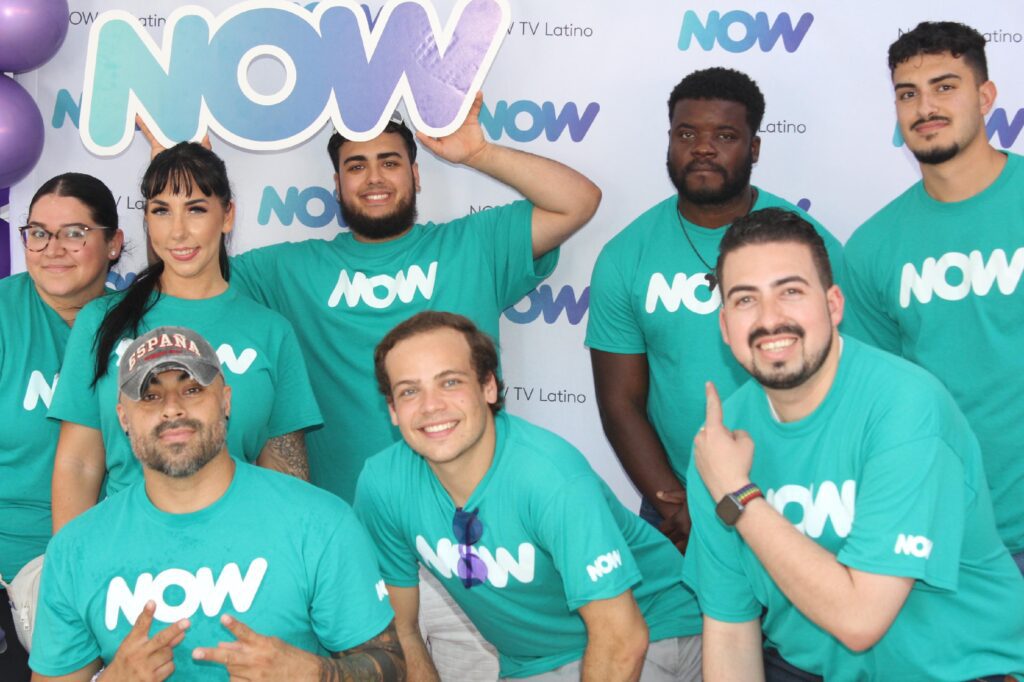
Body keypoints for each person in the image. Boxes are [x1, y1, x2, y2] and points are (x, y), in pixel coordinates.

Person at [228, 93, 600, 678]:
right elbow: (189, 275)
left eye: (390, 161)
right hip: (357, 549)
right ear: (336, 184)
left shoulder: (473, 244)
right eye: (356, 165)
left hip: (476, 548)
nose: (374, 177)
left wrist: (477, 150)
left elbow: (578, 201)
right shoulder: (290, 269)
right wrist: (182, 174)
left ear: (417, 172)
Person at [680, 207, 1024, 681]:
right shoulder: (720, 438)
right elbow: (730, 630)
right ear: (723, 326)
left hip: (960, 671)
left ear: (834, 304)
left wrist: (739, 495)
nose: (769, 319)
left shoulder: (905, 405)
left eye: (791, 292)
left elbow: (861, 620)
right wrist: (725, 481)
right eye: (744, 301)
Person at [29, 326, 403, 681]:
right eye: (151, 395)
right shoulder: (75, 549)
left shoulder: (320, 521)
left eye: (192, 390)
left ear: (225, 401)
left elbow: (392, 665)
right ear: (123, 418)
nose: (172, 409)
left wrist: (318, 675)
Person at [354, 311, 702, 681]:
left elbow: (622, 638)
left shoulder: (549, 477)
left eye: (450, 382)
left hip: (655, 630)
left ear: (489, 386)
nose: (430, 406)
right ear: (392, 409)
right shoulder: (382, 484)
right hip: (531, 663)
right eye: (409, 391)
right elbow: (402, 630)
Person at [586, 68, 844, 552]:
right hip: (680, 502)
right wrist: (675, 508)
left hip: (802, 496)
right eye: (686, 134)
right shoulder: (627, 255)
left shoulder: (807, 243)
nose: (703, 148)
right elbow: (620, 403)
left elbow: (846, 377)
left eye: (724, 135)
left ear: (754, 148)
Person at [48, 143, 322, 533]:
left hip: (238, 552)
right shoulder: (101, 321)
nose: (177, 231)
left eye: (195, 209)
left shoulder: (270, 330)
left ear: (227, 216)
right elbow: (79, 464)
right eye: (161, 210)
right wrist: (71, 567)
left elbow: (287, 473)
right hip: (128, 550)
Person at [843, 21, 1024, 575]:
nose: (926, 107)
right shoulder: (871, 246)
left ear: (985, 96)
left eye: (945, 86)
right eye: (908, 94)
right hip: (947, 528)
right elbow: (878, 401)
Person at [0, 174, 123, 681]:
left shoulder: (142, 322)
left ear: (113, 243)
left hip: (120, 564)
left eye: (74, 233)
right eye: (38, 233)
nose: (53, 249)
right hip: (14, 571)